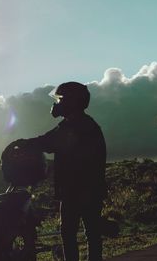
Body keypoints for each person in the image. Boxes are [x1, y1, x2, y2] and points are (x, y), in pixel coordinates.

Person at [16, 82, 107, 261]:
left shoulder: (76, 126)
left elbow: (48, 141)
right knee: (91, 233)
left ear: (71, 102)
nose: (56, 103)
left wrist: (23, 144)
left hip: (77, 190)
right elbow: (50, 139)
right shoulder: (82, 123)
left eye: (60, 99)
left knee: (70, 233)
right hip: (88, 190)